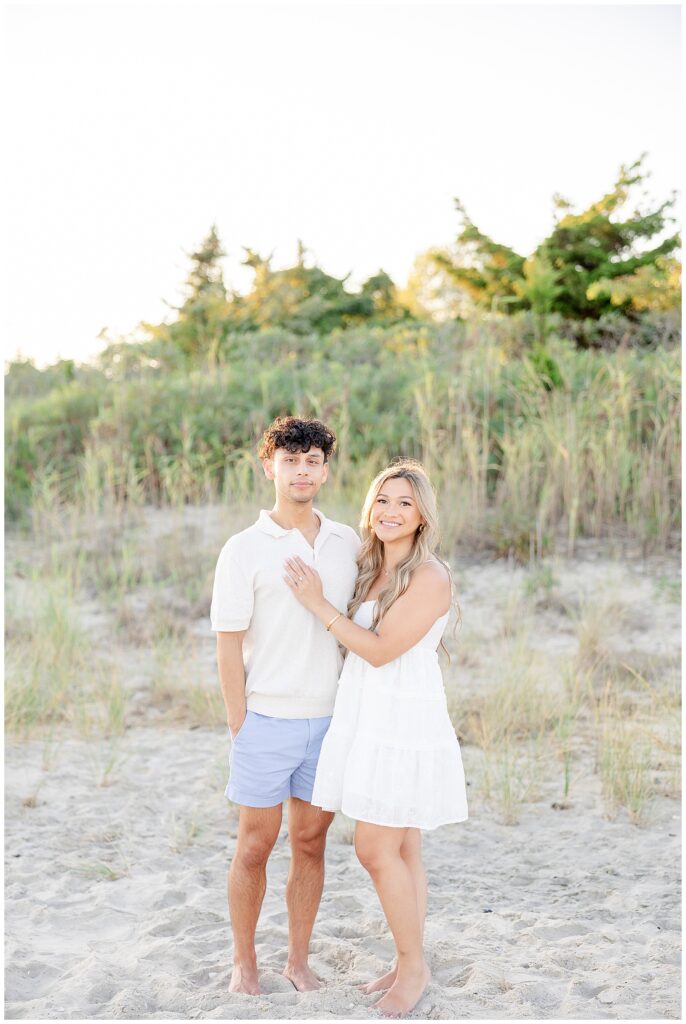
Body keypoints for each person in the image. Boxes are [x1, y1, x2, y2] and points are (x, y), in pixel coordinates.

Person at [283, 459, 468, 1017]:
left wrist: (317, 604)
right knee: (404, 847)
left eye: (405, 503)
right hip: (368, 714)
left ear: (422, 515)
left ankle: (413, 970)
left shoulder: (430, 575)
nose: (391, 511)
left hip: (402, 719)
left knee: (374, 847)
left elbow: (383, 651)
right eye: (383, 500)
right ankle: (408, 960)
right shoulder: (374, 569)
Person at [210, 416, 360, 995]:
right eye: (290, 460)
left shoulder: (347, 542)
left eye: (312, 461)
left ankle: (298, 962)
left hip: (329, 720)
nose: (302, 471)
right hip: (266, 720)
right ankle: (244, 962)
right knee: (254, 845)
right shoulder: (244, 548)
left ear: (325, 471)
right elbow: (228, 641)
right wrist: (239, 723)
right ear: (268, 467)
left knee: (310, 843)